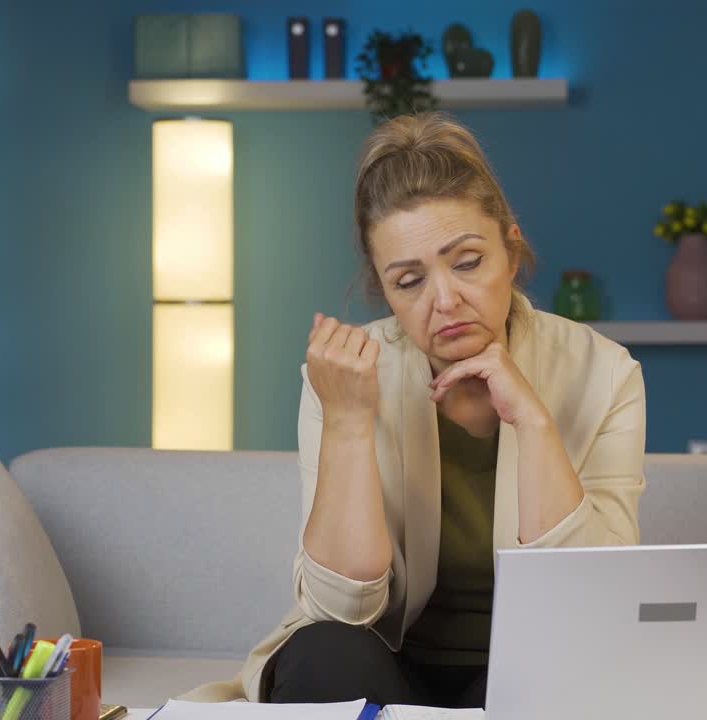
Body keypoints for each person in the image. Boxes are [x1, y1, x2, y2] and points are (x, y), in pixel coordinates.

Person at [182, 112, 646, 707]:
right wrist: (348, 422)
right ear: (384, 289)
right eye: (409, 281)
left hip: (525, 671)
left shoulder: (605, 372)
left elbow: (595, 603)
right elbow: (339, 609)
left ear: (512, 248)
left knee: (577, 670)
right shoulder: (343, 375)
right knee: (323, 651)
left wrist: (532, 422)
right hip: (384, 666)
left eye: (468, 262)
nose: (445, 300)